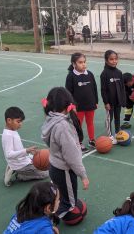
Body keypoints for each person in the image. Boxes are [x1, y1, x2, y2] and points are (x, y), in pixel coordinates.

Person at [41, 87, 89, 223]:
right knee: (70, 204)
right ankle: (51, 220)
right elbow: (72, 156)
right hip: (64, 170)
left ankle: (51, 211)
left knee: (60, 195)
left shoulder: (50, 118)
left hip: (54, 166)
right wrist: (83, 176)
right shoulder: (63, 126)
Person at [2, 107, 49, 187]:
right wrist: (26, 151)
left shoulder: (12, 130)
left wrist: (29, 153)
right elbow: (9, 154)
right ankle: (20, 176)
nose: (20, 124)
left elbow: (17, 149)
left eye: (21, 122)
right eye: (18, 121)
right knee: (46, 173)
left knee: (42, 161)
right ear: (9, 120)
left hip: (21, 161)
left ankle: (13, 167)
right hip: (21, 166)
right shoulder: (8, 135)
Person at [65, 52, 98, 152]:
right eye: (80, 62)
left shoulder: (90, 74)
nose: (83, 64)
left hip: (90, 104)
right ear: (74, 64)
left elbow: (94, 88)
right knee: (78, 125)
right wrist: (71, 105)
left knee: (90, 123)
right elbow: (68, 93)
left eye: (84, 62)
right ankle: (78, 142)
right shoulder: (71, 76)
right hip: (78, 107)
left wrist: (96, 101)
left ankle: (92, 140)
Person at [100, 50, 126, 144]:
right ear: (106, 61)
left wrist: (123, 100)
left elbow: (122, 87)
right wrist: (106, 102)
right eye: (111, 59)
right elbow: (103, 90)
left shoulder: (119, 72)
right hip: (109, 102)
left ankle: (117, 133)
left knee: (117, 117)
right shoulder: (104, 73)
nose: (114, 61)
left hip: (118, 101)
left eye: (115, 59)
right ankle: (110, 135)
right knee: (109, 119)